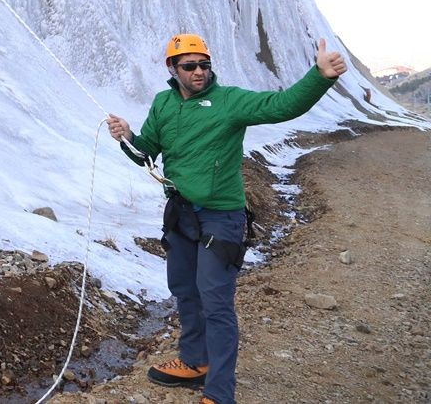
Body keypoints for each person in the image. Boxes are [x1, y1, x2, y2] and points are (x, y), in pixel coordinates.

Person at [107, 33, 347, 404]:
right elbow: (148, 152)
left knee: (215, 301)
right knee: (185, 290)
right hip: (181, 214)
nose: (200, 71)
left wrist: (320, 77)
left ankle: (219, 393)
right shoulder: (163, 103)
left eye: (204, 64)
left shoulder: (229, 101)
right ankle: (194, 361)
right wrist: (127, 136)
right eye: (190, 66)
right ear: (172, 69)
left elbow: (282, 105)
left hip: (223, 217)